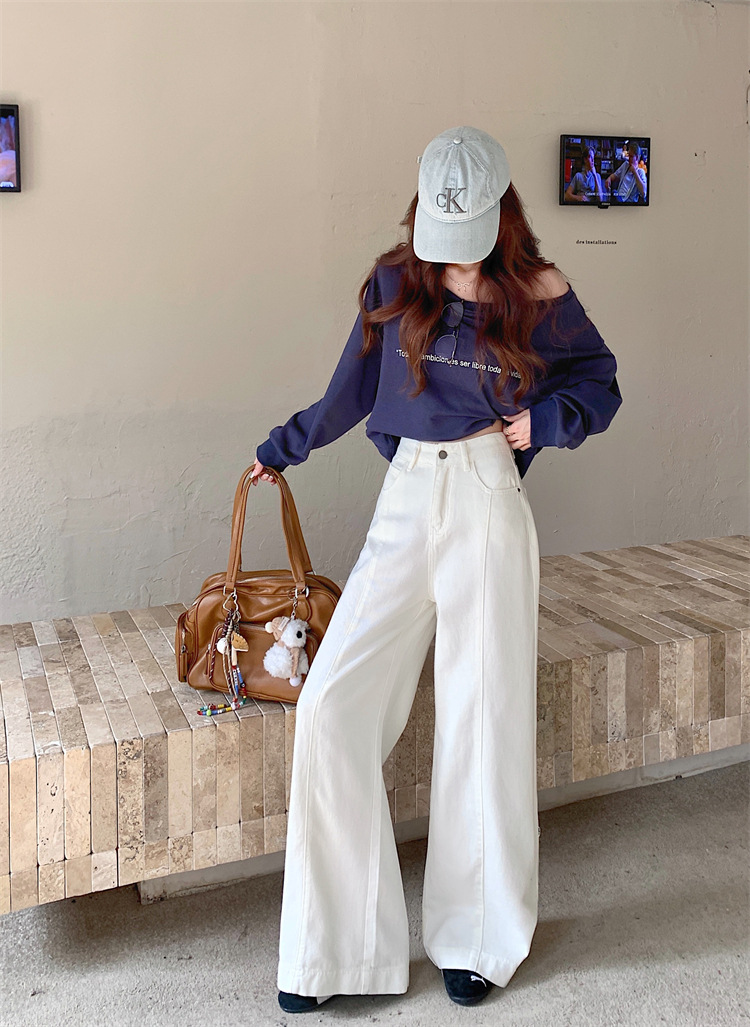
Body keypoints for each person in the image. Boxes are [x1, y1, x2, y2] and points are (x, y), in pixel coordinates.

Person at [250, 126, 622, 1013]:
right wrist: (283, 446)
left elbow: (600, 382)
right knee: (332, 705)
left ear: (501, 215)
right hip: (408, 495)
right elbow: (350, 389)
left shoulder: (539, 290)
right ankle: (336, 952)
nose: (454, 252)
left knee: (483, 716)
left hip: (488, 497)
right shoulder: (395, 281)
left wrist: (544, 422)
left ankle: (478, 939)